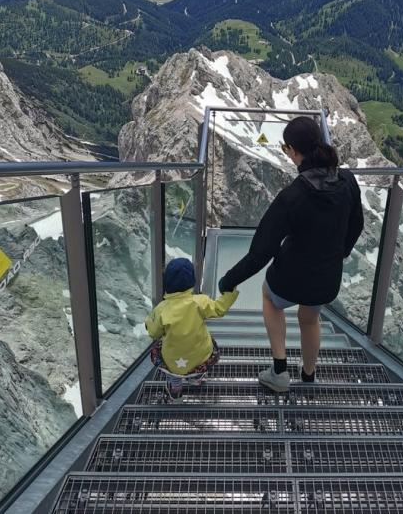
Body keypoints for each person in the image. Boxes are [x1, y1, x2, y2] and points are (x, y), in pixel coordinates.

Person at [218, 116, 364, 392]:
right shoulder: (347, 181)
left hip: (290, 278)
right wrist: (339, 254)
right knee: (310, 318)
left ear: (294, 152)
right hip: (326, 280)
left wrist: (229, 279)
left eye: (287, 149)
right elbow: (357, 224)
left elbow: (261, 252)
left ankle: (279, 371)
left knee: (270, 299)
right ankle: (309, 375)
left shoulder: (293, 196)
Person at [145, 257, 239, 399]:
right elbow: (219, 309)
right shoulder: (199, 302)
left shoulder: (161, 310)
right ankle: (196, 379)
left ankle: (175, 389)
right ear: (191, 282)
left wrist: (149, 322)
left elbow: (153, 332)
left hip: (173, 361)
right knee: (205, 351)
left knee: (171, 370)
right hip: (200, 358)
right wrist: (229, 293)